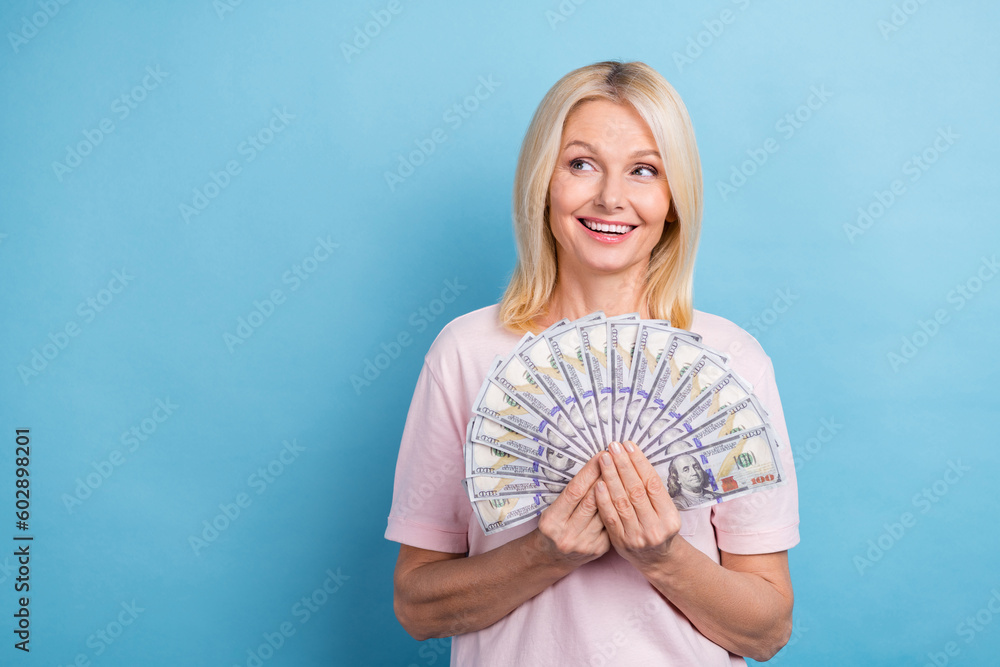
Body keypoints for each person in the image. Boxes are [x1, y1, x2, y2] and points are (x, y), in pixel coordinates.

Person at [385, 60, 799, 665]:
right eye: (581, 164)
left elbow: (766, 632)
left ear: (673, 199)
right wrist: (544, 554)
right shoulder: (466, 352)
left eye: (644, 170)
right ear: (542, 183)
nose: (611, 197)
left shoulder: (731, 362)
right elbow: (417, 608)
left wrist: (664, 556)